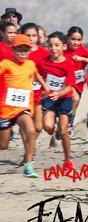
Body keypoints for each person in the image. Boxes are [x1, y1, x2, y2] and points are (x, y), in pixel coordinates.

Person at [0, 34, 42, 177]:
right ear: (13, 50)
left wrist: (46, 88)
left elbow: (37, 75)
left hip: (22, 108)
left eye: (26, 50)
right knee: (3, 145)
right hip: (5, 110)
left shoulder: (30, 65)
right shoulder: (6, 63)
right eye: (19, 50)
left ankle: (28, 165)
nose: (22, 53)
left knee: (30, 131)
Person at [40, 32, 77, 169]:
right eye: (50, 45)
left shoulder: (68, 63)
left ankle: (67, 160)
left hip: (64, 99)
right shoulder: (44, 61)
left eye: (57, 45)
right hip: (50, 99)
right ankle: (52, 131)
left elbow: (70, 86)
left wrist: (59, 93)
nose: (53, 48)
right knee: (48, 126)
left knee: (63, 131)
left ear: (64, 47)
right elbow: (38, 75)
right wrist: (43, 88)